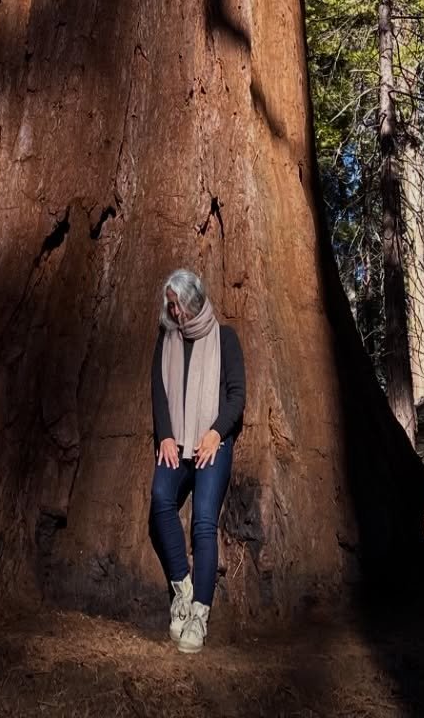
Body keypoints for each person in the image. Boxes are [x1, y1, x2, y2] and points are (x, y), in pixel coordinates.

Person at [149, 266, 245, 654]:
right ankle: (183, 589)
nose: (174, 313)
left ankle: (200, 614)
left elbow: (237, 396)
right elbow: (159, 391)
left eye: (177, 305)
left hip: (210, 444)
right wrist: (166, 435)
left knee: (204, 521)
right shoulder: (167, 339)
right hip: (178, 442)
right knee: (160, 499)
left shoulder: (225, 339)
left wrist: (215, 432)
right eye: (170, 307)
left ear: (192, 301)